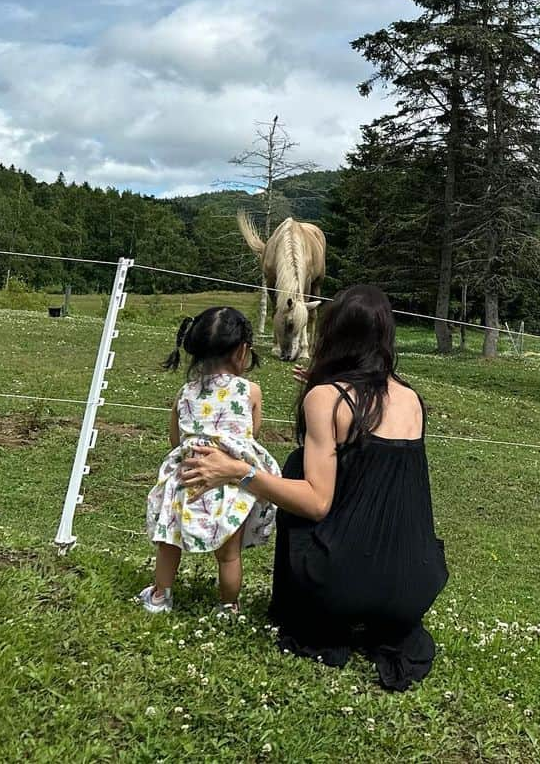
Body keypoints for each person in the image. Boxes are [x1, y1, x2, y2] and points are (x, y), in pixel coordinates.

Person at [181, 284, 448, 690]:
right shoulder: (412, 399)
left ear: (333, 332)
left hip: (342, 591)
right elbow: (371, 473)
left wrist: (237, 472)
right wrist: (325, 384)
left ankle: (304, 608)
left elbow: (318, 503)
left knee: (294, 467)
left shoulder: (327, 398)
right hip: (414, 589)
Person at [139, 306, 280, 614]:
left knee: (169, 542)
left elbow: (175, 440)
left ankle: (160, 596)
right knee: (229, 555)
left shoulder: (185, 392)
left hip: (188, 479)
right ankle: (229, 606)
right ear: (242, 350)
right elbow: (249, 436)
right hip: (229, 482)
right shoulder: (250, 391)